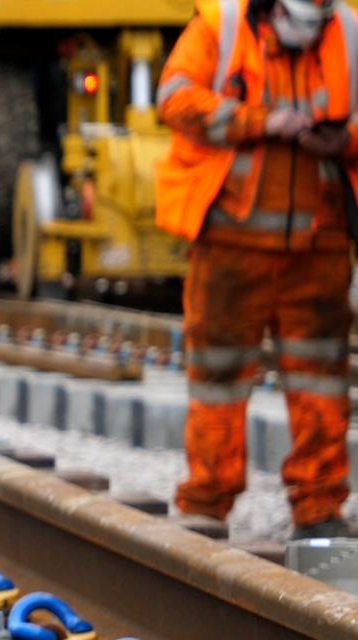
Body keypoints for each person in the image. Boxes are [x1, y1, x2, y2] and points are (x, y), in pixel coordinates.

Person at [156, 0, 358, 538]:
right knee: (218, 376)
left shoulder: (350, 34)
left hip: (319, 246)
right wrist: (262, 122)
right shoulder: (221, 28)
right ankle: (207, 503)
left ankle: (319, 507)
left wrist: (344, 138)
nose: (309, 37)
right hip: (230, 244)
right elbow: (175, 98)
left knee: (321, 380)